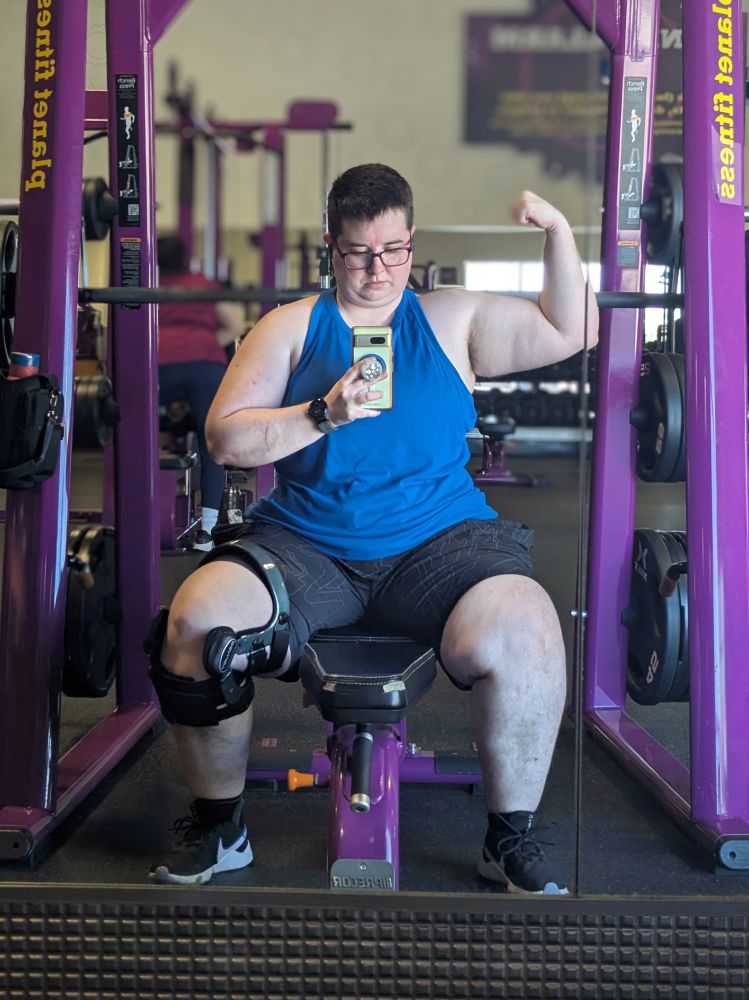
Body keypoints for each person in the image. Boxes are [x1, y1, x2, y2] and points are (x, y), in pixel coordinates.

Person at [145, 164, 599, 893]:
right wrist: (321, 413)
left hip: (440, 546)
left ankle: (507, 835)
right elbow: (226, 438)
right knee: (197, 620)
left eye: (393, 250)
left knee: (528, 627)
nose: (378, 268)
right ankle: (220, 826)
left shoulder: (452, 320)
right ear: (332, 246)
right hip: (306, 546)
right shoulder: (290, 326)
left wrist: (557, 232)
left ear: (411, 242)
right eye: (359, 252)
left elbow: (568, 328)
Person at [157, 236, 247, 548]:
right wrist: (206, 341)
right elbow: (235, 324)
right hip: (203, 366)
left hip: (158, 365)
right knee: (212, 443)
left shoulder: (147, 282)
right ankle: (207, 533)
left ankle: (139, 517)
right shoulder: (202, 283)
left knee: (137, 436)